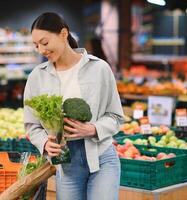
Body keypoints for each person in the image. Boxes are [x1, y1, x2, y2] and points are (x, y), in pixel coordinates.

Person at [23, 12, 124, 200]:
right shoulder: (37, 77)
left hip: (101, 158)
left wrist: (93, 129)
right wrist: (44, 143)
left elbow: (116, 116)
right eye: (36, 45)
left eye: (44, 43)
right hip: (66, 165)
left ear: (63, 34)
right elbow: (31, 124)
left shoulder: (99, 69)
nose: (41, 50)